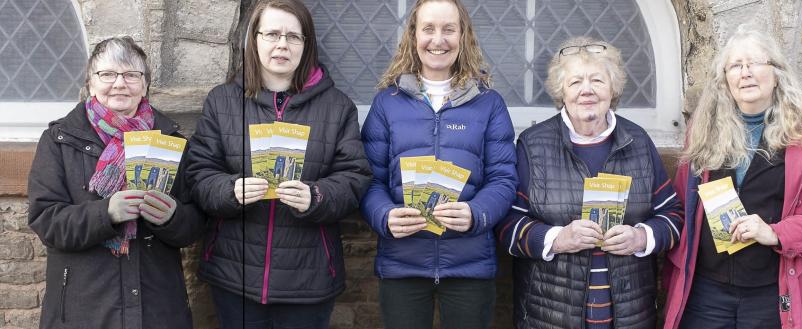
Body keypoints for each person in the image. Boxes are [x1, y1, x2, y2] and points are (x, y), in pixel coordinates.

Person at [185, 0, 372, 327]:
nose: (282, 44)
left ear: (307, 44)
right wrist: (231, 190)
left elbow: (354, 177)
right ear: (254, 39)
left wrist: (316, 196)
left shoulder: (337, 107)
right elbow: (199, 172)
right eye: (271, 34)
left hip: (308, 277)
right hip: (235, 273)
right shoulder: (223, 100)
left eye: (293, 36)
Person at [661, 25, 802, 329]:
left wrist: (777, 233)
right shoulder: (703, 132)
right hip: (706, 292)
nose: (746, 73)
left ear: (777, 72)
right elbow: (683, 211)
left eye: (755, 63)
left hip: (774, 292)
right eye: (736, 66)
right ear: (725, 80)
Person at [497, 36, 683, 328]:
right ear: (562, 92)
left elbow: (673, 216)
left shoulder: (639, 142)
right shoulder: (533, 146)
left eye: (597, 80)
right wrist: (557, 239)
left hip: (629, 315)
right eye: (575, 83)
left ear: (613, 88)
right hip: (550, 317)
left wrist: (641, 237)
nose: (586, 90)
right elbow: (507, 224)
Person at [27, 36, 204, 329]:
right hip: (84, 308)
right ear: (90, 82)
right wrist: (105, 213)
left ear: (145, 84)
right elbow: (46, 221)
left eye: (131, 75)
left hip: (156, 308)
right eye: (107, 74)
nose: (120, 83)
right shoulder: (59, 141)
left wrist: (172, 217)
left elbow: (195, 225)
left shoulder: (171, 141)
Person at [359, 0, 517, 327]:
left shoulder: (489, 103)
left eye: (449, 29)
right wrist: (385, 216)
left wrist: (477, 213)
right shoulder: (386, 103)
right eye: (428, 28)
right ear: (413, 35)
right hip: (402, 264)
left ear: (463, 36)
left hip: (469, 266)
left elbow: (503, 179)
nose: (438, 39)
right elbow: (368, 181)